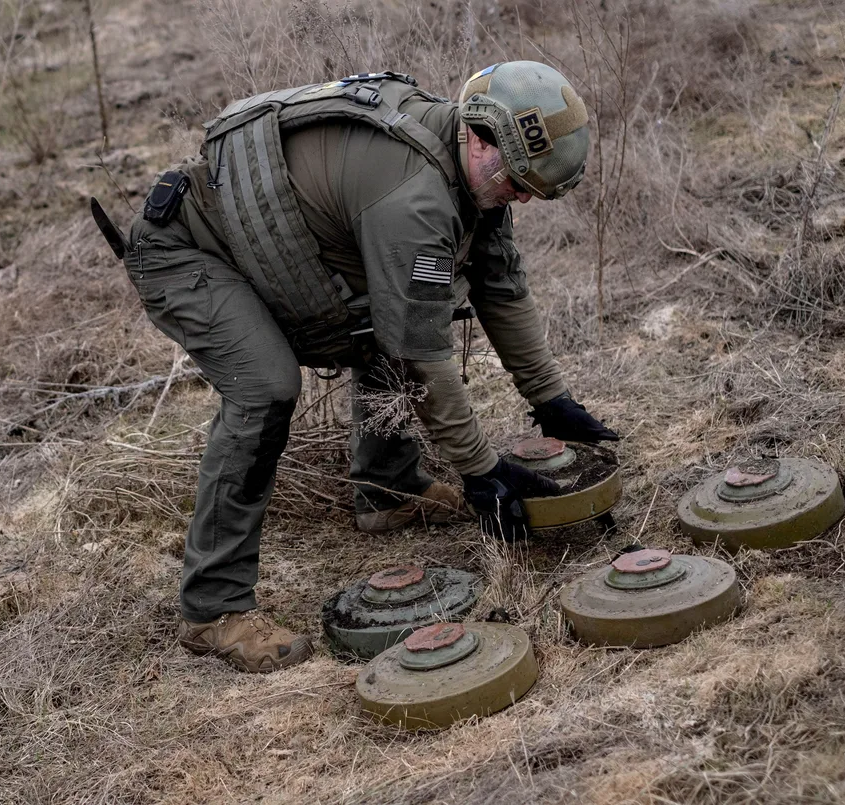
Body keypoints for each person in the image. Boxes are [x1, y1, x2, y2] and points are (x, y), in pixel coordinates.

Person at [104, 62, 619, 673]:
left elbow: (501, 289)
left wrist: (550, 399)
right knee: (265, 387)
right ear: (478, 137)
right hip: (184, 254)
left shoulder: (474, 164)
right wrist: (481, 470)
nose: (523, 196)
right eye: (517, 180)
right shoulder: (416, 199)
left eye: (535, 188)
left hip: (273, 250)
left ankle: (388, 488)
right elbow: (420, 355)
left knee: (393, 314)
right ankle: (212, 609)